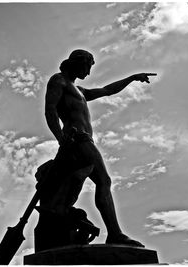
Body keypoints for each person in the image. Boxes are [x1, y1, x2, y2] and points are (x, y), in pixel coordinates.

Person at [45, 49, 156, 247]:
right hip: (78, 140)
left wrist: (131, 78)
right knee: (103, 180)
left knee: (97, 181)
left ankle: (113, 232)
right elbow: (50, 110)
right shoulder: (59, 81)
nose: (89, 72)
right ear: (78, 62)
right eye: (88, 65)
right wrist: (61, 139)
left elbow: (107, 90)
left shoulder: (80, 91)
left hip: (85, 141)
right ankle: (115, 233)